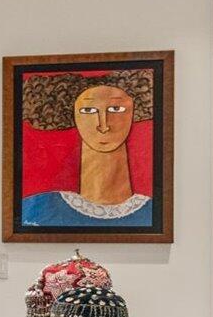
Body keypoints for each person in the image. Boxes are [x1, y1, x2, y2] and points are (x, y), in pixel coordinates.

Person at [20, 78, 154, 229]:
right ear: (70, 114)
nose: (103, 125)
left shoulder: (154, 213)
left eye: (116, 109)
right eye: (88, 110)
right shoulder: (36, 209)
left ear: (134, 113)